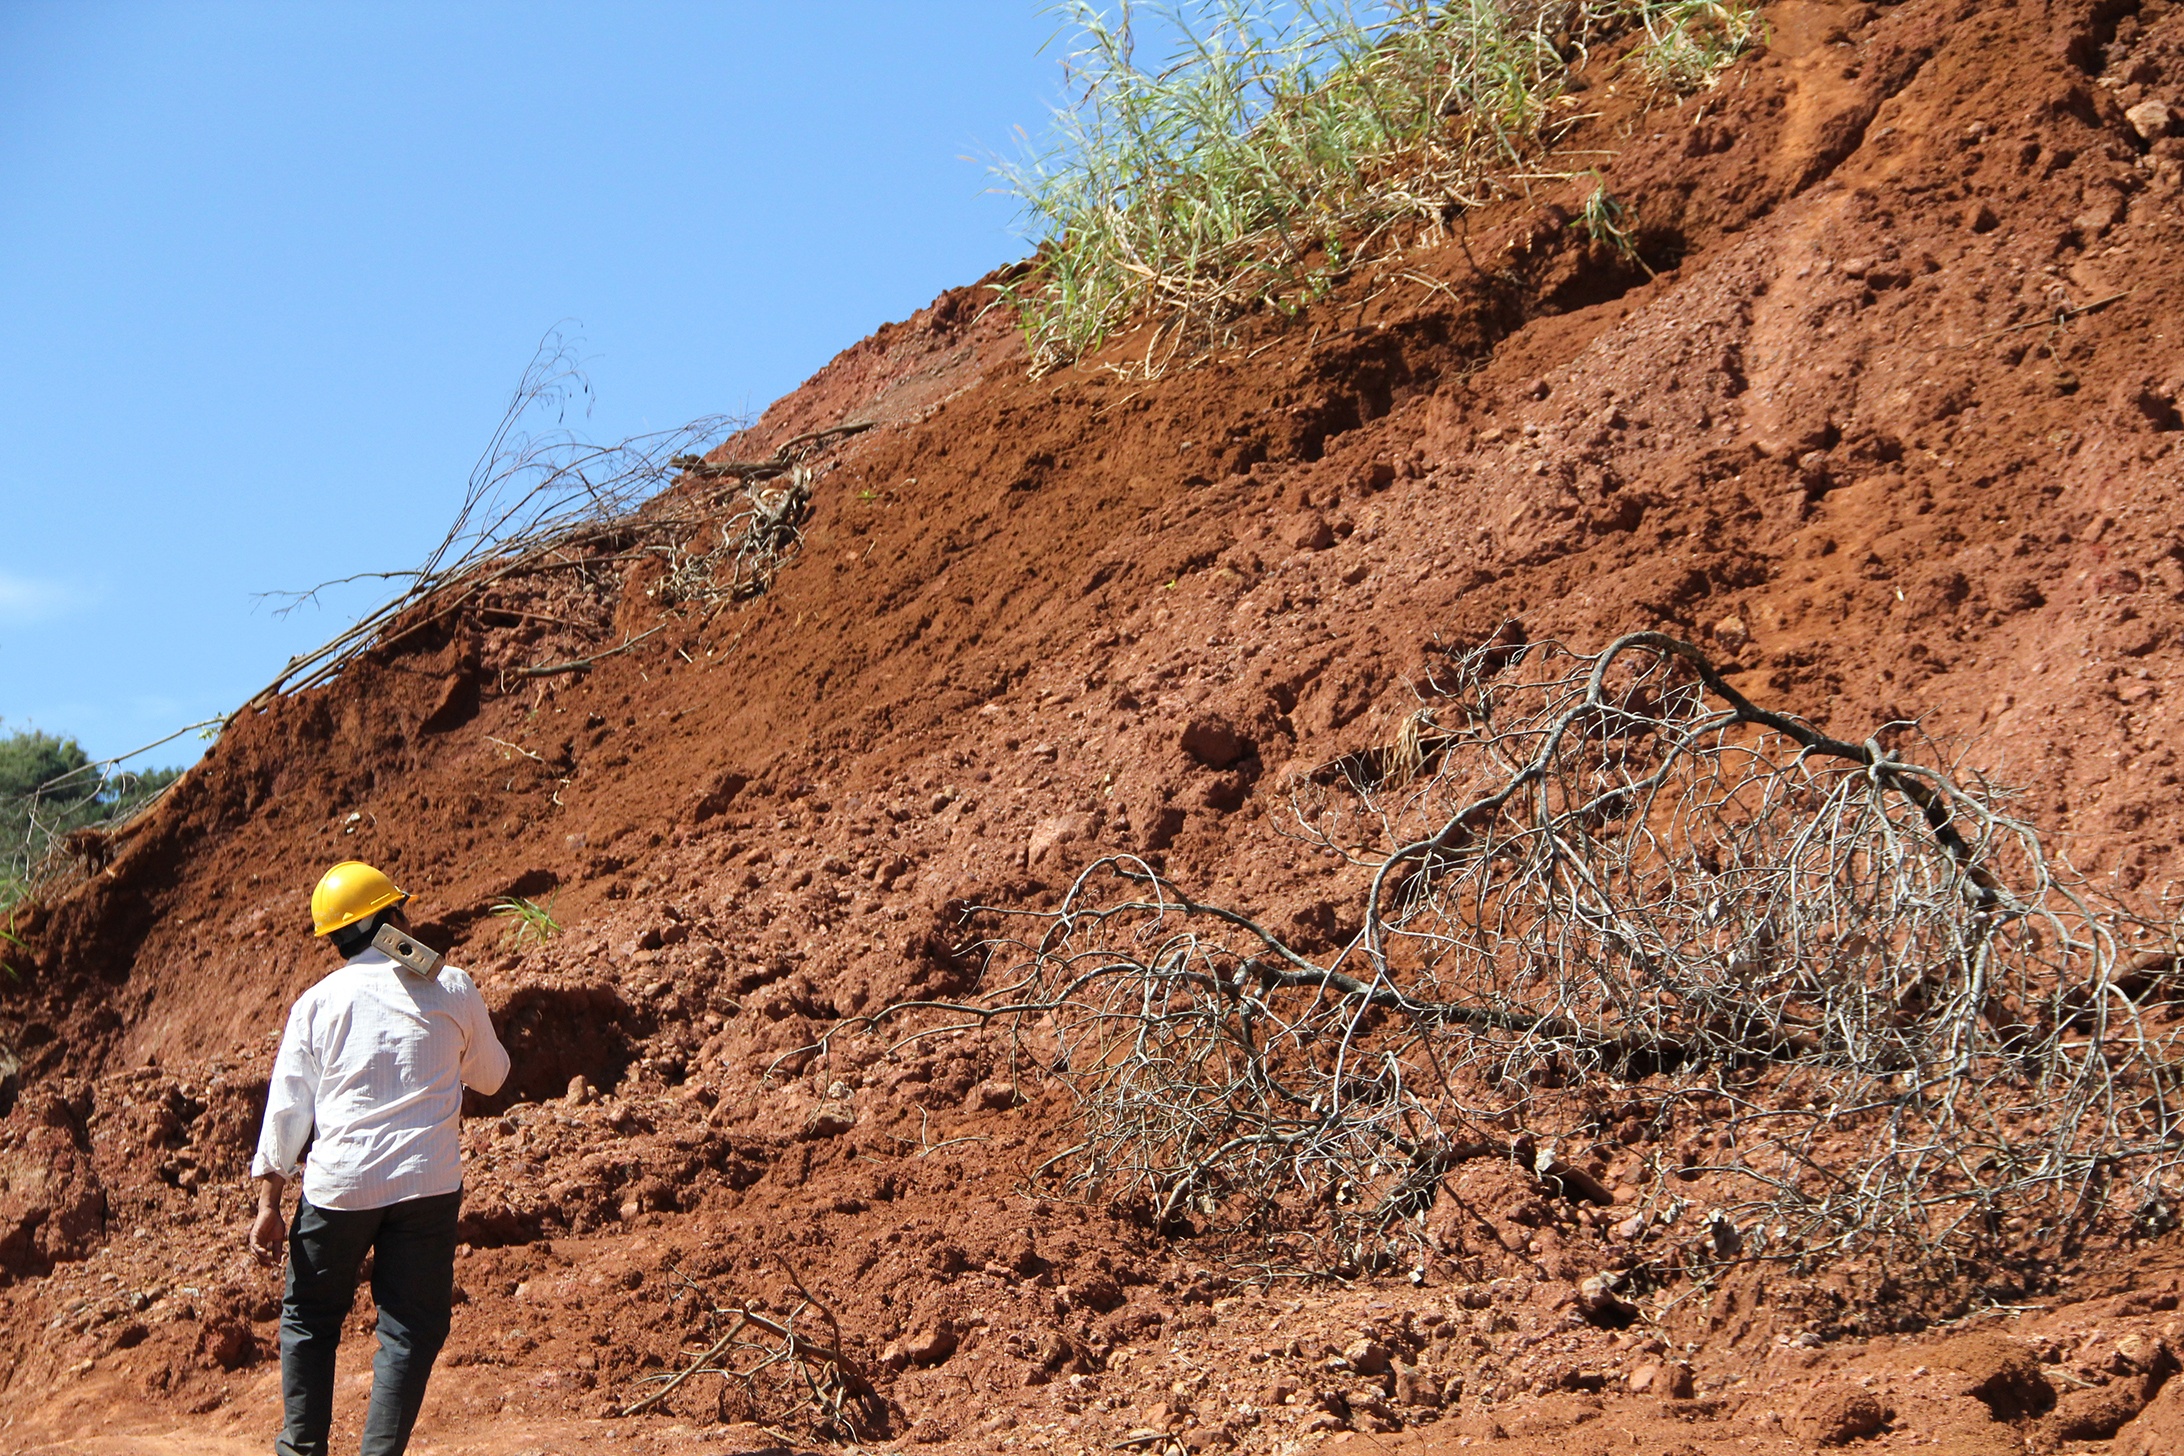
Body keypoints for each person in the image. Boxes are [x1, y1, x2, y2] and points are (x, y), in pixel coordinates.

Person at [248, 860, 510, 1456]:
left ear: (337, 937)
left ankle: (301, 1450)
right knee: (411, 1328)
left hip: (340, 1188)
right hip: (427, 1184)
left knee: (310, 1319)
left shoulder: (317, 1003)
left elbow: (287, 1111)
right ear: (390, 918)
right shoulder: (451, 985)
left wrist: (269, 1205)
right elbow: (492, 1078)